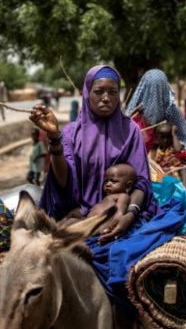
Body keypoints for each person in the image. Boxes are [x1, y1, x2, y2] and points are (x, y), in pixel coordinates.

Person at [30, 65, 159, 242]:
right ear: (87, 93)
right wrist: (54, 137)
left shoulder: (130, 131)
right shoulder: (70, 133)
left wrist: (129, 215)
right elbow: (63, 183)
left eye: (113, 92)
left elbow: (141, 183)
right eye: (99, 91)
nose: (106, 98)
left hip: (119, 215)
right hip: (80, 216)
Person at [125, 69, 186, 152]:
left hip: (165, 160)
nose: (155, 95)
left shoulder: (172, 112)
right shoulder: (134, 114)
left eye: (159, 89)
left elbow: (185, 144)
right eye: (151, 90)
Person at [63, 163, 137, 223]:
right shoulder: (107, 197)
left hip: (97, 225)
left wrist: (112, 225)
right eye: (106, 181)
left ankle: (57, 231)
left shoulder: (122, 196)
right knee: (75, 211)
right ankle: (57, 225)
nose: (108, 184)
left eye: (113, 181)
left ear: (128, 186)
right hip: (88, 220)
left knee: (71, 222)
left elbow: (119, 213)